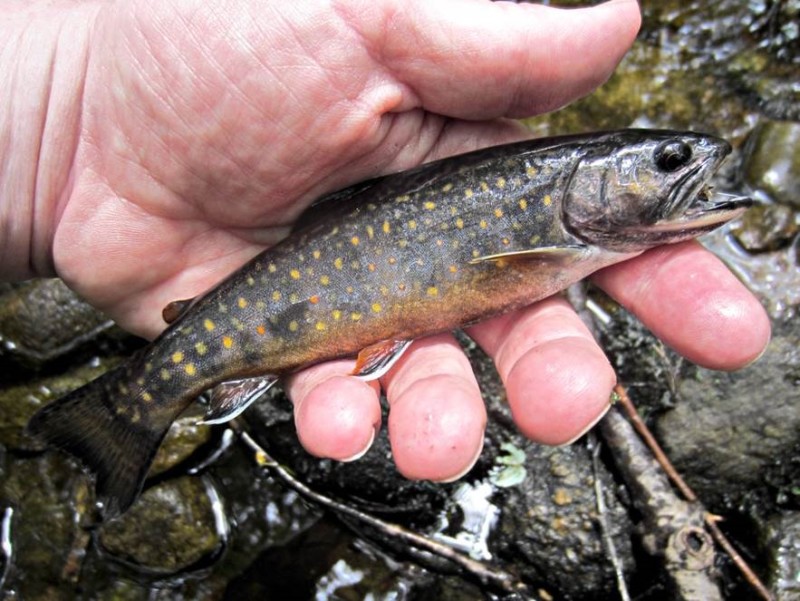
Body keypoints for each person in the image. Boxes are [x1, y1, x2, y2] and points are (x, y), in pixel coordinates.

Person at [1, 0, 770, 483]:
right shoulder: (555, 224)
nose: (686, 168)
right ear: (590, 182)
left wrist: (60, 109)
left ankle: (121, 410)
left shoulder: (572, 224)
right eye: (670, 162)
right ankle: (124, 408)